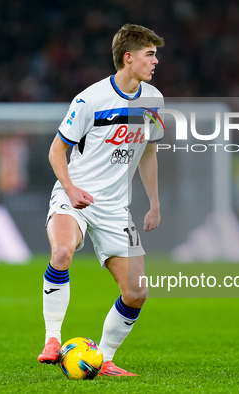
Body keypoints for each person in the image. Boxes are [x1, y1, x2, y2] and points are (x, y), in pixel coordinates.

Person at [37, 24, 165, 376]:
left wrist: (154, 203)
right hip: (73, 194)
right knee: (62, 251)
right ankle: (52, 339)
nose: (156, 62)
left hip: (114, 208)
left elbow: (149, 154)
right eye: (149, 54)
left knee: (137, 291)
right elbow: (56, 150)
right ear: (128, 58)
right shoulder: (90, 99)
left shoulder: (153, 100)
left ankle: (104, 358)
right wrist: (70, 187)